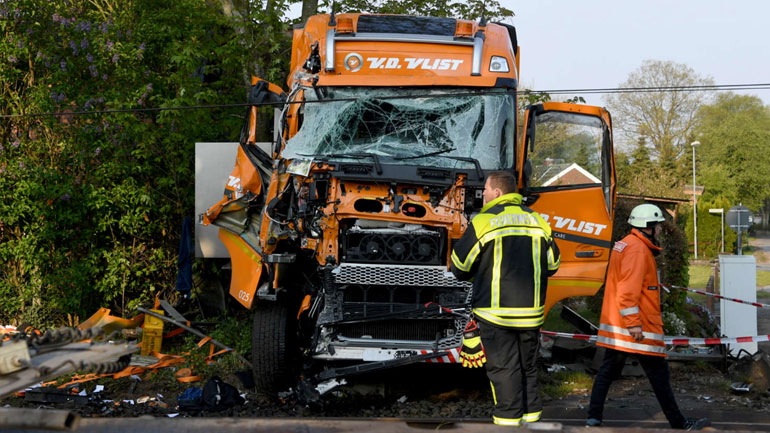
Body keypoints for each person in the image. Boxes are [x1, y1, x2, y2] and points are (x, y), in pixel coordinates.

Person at [586, 203, 710, 430]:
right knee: (659, 376)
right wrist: (634, 325)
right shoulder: (637, 250)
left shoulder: (626, 244)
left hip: (619, 327)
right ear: (648, 227)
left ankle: (593, 420)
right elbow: (627, 291)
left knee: (607, 372)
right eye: (659, 226)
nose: (661, 230)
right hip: (637, 329)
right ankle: (679, 423)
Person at [451, 171, 560, 426]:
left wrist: (481, 271)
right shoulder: (538, 221)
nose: (483, 195)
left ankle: (509, 426)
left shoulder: (484, 221)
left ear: (498, 192)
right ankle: (532, 423)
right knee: (528, 370)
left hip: (495, 315)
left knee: (504, 372)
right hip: (531, 315)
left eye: (486, 191)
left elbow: (459, 266)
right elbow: (553, 264)